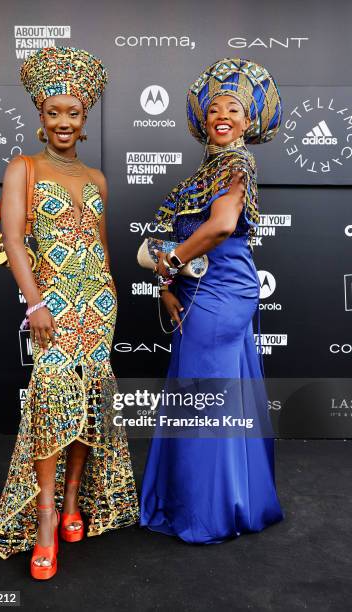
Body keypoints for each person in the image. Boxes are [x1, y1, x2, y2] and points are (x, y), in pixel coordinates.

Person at [0, 46, 139, 579]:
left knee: (88, 404)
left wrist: (109, 292)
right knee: (52, 402)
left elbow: (102, 244)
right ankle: (45, 516)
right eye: (54, 112)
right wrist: (37, 301)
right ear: (40, 117)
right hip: (54, 302)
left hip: (99, 302)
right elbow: (13, 239)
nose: (63, 122)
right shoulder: (23, 167)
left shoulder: (98, 179)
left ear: (84, 118)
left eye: (73, 112)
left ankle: (72, 499)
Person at [140, 58, 284, 544]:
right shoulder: (211, 167)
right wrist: (168, 284)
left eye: (234, 109)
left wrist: (173, 263)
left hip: (222, 292)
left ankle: (210, 513)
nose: (222, 115)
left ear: (248, 122)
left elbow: (221, 227)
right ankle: (233, 500)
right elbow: (186, 236)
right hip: (201, 290)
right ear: (204, 120)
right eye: (215, 109)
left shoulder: (238, 163)